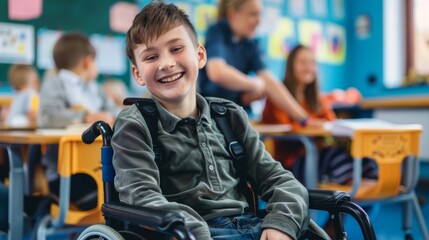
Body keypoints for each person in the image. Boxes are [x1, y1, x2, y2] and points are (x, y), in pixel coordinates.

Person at [112, 2, 312, 240]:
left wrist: (282, 222)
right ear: (137, 74)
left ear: (200, 56)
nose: (166, 63)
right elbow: (142, 197)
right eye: (151, 56)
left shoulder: (229, 116)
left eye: (176, 49)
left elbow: (278, 180)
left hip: (255, 228)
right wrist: (193, 232)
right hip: (190, 233)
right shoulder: (135, 124)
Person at [261, 45, 377, 185]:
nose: (308, 67)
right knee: (335, 157)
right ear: (290, 66)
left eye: (312, 63)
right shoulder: (278, 98)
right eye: (303, 62)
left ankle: (371, 187)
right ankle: (356, 188)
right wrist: (311, 124)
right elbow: (284, 130)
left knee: (361, 156)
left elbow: (332, 124)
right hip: (291, 162)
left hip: (317, 154)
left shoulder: (318, 99)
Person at [38, 32, 119, 210]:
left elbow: (115, 112)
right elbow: (47, 117)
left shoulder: (95, 88)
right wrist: (86, 117)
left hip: (102, 168)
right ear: (88, 61)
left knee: (128, 190)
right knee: (114, 198)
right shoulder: (55, 82)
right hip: (66, 175)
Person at [198, 0, 311, 125]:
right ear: (233, 14)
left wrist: (303, 118)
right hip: (211, 115)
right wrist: (254, 84)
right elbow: (217, 72)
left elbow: (270, 82)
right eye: (252, 14)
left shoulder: (252, 43)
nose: (258, 21)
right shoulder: (217, 32)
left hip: (238, 114)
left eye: (259, 15)